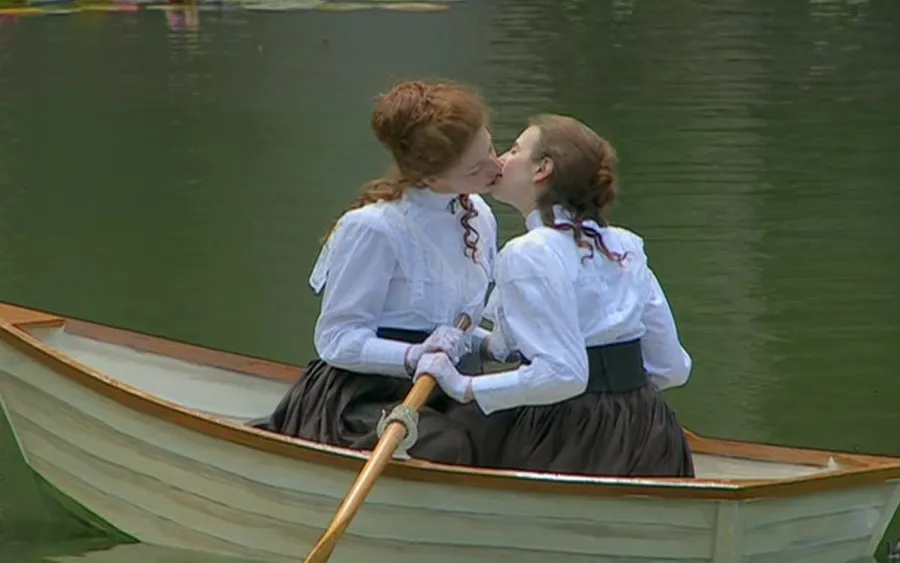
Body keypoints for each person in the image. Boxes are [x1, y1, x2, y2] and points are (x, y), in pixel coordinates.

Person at [416, 114, 695, 477]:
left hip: (574, 435)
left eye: (514, 150)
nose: (500, 159)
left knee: (443, 432)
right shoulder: (625, 245)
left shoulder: (528, 252)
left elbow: (564, 375)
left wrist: (464, 385)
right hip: (652, 433)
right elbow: (672, 368)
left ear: (542, 169)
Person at [250, 80, 502, 465]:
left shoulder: (478, 214)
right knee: (447, 445)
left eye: (491, 149)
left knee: (511, 422)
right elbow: (336, 339)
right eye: (476, 167)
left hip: (447, 383)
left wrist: (488, 344)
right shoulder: (374, 229)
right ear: (432, 178)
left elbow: (453, 325)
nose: (496, 167)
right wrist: (413, 355)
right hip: (369, 393)